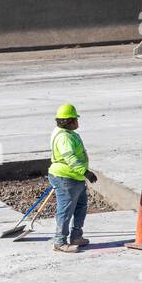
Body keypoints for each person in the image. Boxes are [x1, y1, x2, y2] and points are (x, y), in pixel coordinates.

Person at [48, 104, 96, 254]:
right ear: (68, 121)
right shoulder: (64, 137)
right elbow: (70, 157)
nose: (77, 122)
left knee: (81, 206)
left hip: (75, 177)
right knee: (66, 210)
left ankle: (76, 237)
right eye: (75, 119)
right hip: (66, 178)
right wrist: (85, 172)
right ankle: (60, 242)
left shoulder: (67, 133)